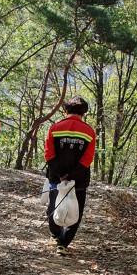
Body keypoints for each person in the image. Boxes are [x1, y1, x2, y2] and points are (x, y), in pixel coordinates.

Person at [44, 96, 95, 255]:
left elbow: (49, 153)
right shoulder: (89, 132)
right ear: (84, 112)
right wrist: (72, 175)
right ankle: (63, 244)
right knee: (75, 212)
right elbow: (87, 159)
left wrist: (60, 174)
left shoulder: (55, 128)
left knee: (53, 206)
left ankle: (55, 235)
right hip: (79, 180)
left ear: (65, 111)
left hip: (55, 177)